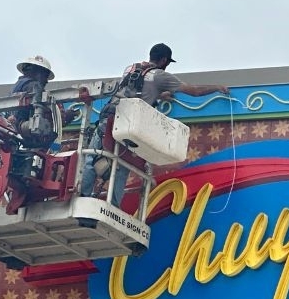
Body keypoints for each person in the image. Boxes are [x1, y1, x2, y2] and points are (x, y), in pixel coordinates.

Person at [80, 43, 229, 205]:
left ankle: (82, 196)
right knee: (121, 167)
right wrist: (217, 87)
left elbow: (137, 90)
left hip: (107, 119)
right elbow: (193, 90)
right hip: (128, 127)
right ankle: (113, 205)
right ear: (164, 60)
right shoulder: (160, 76)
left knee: (91, 158)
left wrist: (158, 95)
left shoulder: (130, 68)